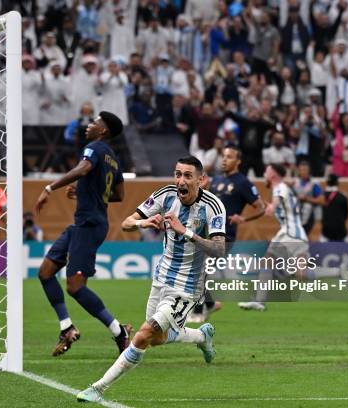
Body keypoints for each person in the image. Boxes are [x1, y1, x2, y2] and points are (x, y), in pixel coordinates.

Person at [77, 156, 226, 402]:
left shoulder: (213, 206)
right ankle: (201, 336)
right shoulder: (165, 195)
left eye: (188, 176)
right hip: (161, 278)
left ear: (201, 180)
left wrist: (186, 232)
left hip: (187, 286)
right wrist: (144, 222)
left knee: (143, 335)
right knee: (157, 339)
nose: (181, 180)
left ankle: (98, 388)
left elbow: (220, 248)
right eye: (178, 174)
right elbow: (126, 223)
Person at [34, 112, 131, 357]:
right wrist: (84, 191)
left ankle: (119, 331)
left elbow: (83, 168)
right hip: (84, 224)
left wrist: (50, 187)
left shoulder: (95, 148)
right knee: (45, 272)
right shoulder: (113, 159)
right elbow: (119, 195)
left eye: (95, 122)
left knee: (75, 287)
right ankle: (67, 327)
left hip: (89, 225)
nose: (89, 125)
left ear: (104, 131)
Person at [189, 146, 265, 323]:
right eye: (223, 156)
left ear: (238, 162)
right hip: (207, 232)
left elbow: (261, 207)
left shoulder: (243, 182)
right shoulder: (215, 180)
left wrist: (243, 218)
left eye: (229, 157)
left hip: (225, 235)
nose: (224, 160)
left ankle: (199, 313)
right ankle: (211, 304)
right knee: (199, 270)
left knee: (201, 269)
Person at [239, 164, 308, 311]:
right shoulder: (282, 188)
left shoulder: (280, 187)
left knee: (300, 273)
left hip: (291, 233)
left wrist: (272, 206)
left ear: (273, 174)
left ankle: (338, 272)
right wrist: (245, 219)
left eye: (266, 171)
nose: (264, 174)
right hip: (290, 232)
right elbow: (270, 208)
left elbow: (274, 205)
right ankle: (259, 301)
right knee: (272, 263)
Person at [294, 161, 324, 235]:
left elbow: (321, 200)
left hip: (310, 215)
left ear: (309, 171)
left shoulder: (314, 183)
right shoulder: (295, 183)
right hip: (296, 214)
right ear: (298, 171)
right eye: (301, 170)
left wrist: (307, 199)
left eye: (305, 170)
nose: (303, 172)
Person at [320, 174, 348, 242]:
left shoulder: (321, 197)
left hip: (326, 231)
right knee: (347, 249)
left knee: (321, 251)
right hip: (341, 231)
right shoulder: (343, 197)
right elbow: (346, 214)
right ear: (337, 183)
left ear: (326, 183)